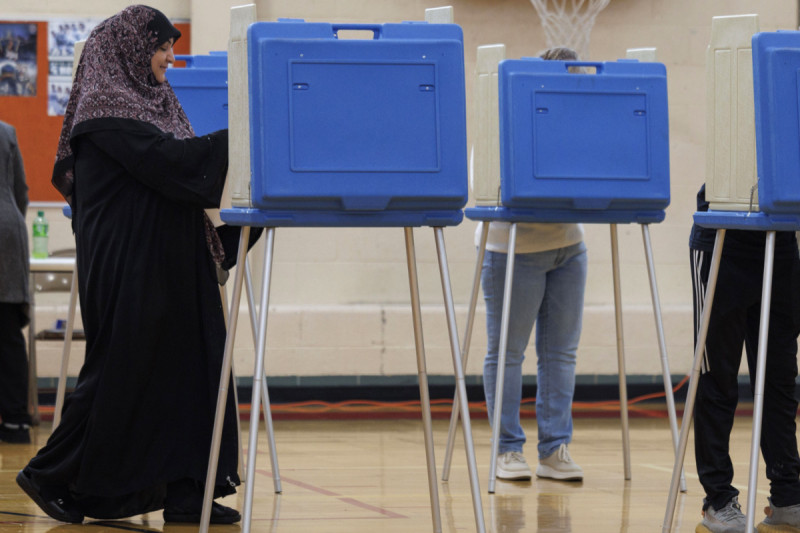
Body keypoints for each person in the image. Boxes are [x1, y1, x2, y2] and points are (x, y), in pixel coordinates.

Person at [16, 5, 246, 525]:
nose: (169, 55)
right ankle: (50, 475)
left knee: (193, 370)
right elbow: (174, 165)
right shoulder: (105, 109)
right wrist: (249, 135)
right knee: (123, 372)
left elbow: (178, 176)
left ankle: (191, 490)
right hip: (130, 265)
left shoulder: (154, 102)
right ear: (127, 47)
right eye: (161, 44)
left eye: (169, 44)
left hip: (168, 260)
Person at [480, 46, 587, 482]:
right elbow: (487, 183)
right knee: (508, 354)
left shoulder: (581, 123)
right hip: (514, 251)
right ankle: (507, 450)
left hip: (569, 247)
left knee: (561, 354)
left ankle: (554, 449)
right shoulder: (505, 123)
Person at [690, 184, 800, 532]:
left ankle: (787, 496)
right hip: (723, 236)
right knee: (717, 379)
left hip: (780, 238)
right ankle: (718, 501)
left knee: (780, 379)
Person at [0, 119, 33, 444]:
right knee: (7, 332)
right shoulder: (7, 131)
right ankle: (15, 423)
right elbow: (20, 190)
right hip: (7, 231)